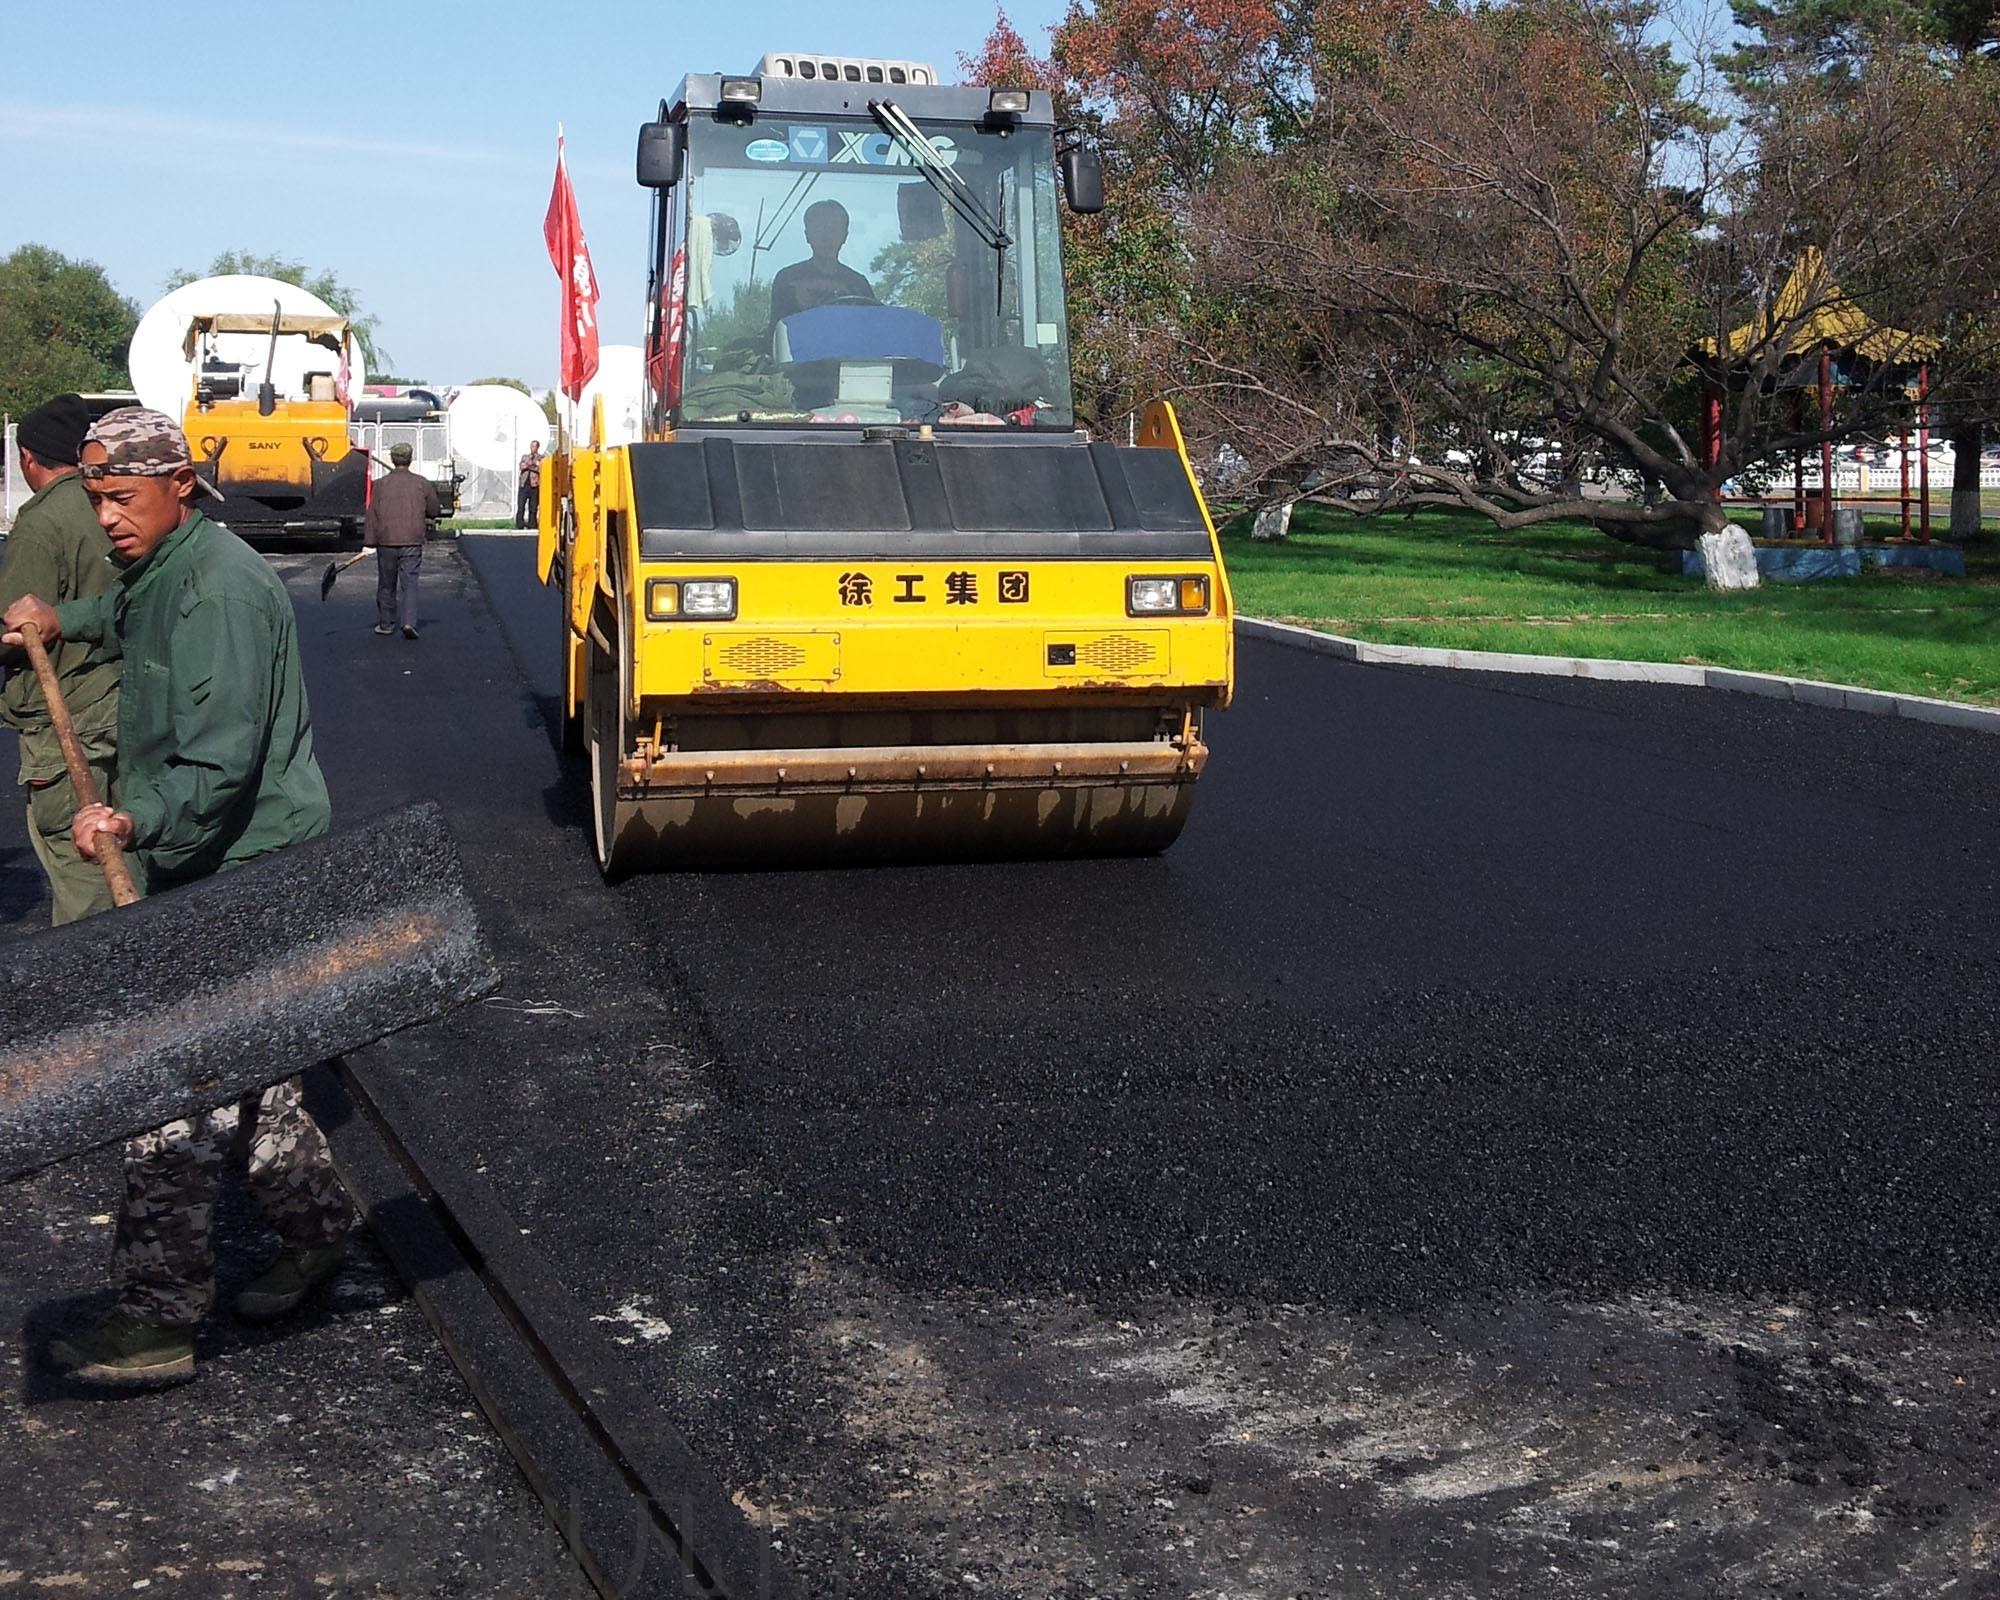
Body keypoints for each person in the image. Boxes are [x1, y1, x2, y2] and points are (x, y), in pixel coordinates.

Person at [2, 407, 349, 1389]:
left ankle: (153, 1320)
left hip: (246, 865)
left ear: (180, 486)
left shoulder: (219, 597)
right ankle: (319, 1230)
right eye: (97, 498)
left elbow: (220, 762)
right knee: (253, 1075)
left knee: (176, 1091)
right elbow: (125, 611)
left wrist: (129, 818)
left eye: (122, 497)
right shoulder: (164, 573)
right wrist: (61, 618)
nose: (107, 517)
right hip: (207, 859)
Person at [0, 394, 120, 925]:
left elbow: (16, 629)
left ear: (28, 458)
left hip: (66, 719)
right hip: (121, 704)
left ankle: (93, 992)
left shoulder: (41, 526)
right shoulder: (111, 503)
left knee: (81, 864)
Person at [365, 441, 438, 640]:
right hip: (412, 540)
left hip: (386, 541)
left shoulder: (380, 485)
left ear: (392, 459)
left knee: (387, 584)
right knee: (410, 582)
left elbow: (372, 514)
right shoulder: (421, 483)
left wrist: (369, 542)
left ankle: (386, 624)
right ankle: (408, 622)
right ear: (410, 459)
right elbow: (434, 509)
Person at [767, 200, 876, 330]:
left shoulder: (858, 285)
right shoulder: (787, 280)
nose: (826, 237)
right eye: (819, 228)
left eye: (833, 229)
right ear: (807, 235)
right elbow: (778, 335)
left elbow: (872, 330)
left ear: (845, 236)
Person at [516, 439, 542, 529]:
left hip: (534, 485)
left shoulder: (541, 458)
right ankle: (520, 524)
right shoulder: (525, 457)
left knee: (533, 507)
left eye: (534, 446)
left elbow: (540, 468)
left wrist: (530, 465)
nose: (532, 448)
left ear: (537, 447)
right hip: (524, 485)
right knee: (521, 505)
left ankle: (532, 525)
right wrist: (532, 465)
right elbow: (522, 466)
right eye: (531, 446)